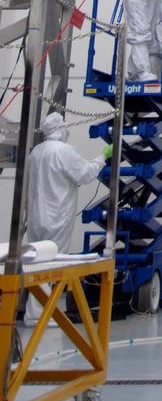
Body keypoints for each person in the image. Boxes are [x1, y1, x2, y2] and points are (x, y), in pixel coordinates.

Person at [25, 113, 111, 325]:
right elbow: (85, 174)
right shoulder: (63, 151)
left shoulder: (36, 152)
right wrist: (103, 157)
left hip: (36, 216)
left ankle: (34, 312)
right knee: (51, 263)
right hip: (57, 215)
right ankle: (41, 315)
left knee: (36, 263)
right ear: (61, 128)